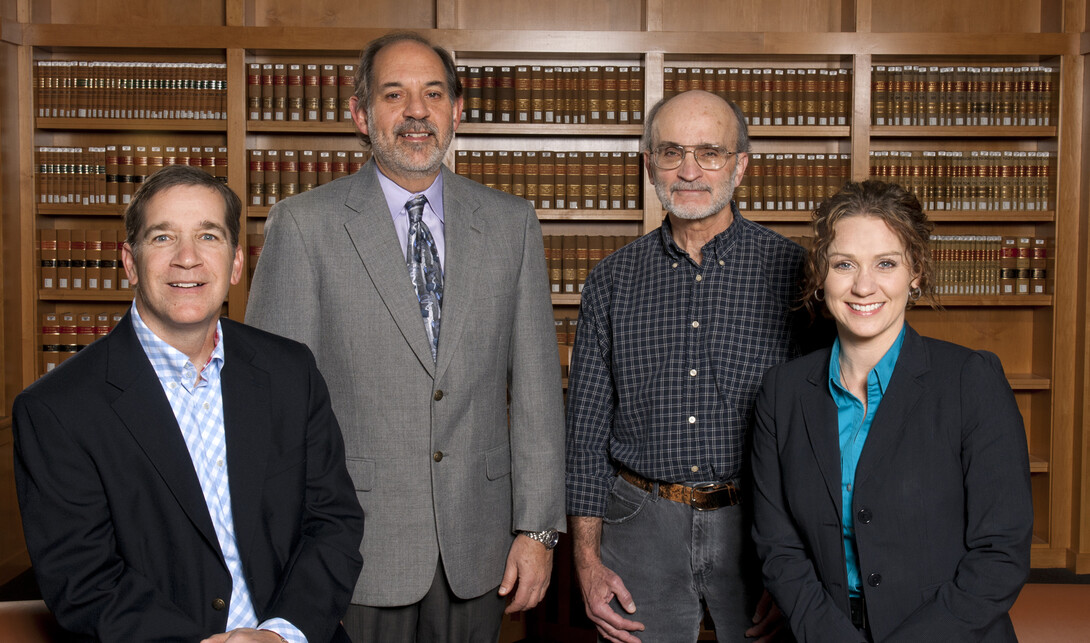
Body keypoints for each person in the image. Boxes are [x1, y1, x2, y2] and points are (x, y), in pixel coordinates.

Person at [245, 31, 565, 642]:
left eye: (434, 94)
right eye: (395, 94)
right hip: (351, 547)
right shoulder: (304, 224)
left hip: (480, 546)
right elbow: (273, 411)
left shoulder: (511, 223)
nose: (417, 111)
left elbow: (537, 393)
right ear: (361, 114)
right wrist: (292, 558)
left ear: (457, 112)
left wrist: (539, 530)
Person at [12, 164, 365, 643]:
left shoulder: (290, 372)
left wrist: (282, 634)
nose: (187, 258)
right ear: (130, 262)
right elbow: (84, 582)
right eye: (162, 238)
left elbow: (333, 523)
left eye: (208, 236)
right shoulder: (56, 410)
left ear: (236, 262)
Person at [566, 89, 810, 643]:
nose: (690, 170)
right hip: (638, 526)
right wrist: (586, 560)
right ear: (649, 162)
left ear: (741, 164)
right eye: (672, 152)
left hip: (759, 525)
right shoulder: (610, 280)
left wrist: (800, 564)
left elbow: (818, 435)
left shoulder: (795, 274)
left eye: (710, 153)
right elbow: (585, 434)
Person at [750, 180, 1033, 642]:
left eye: (886, 263)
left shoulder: (970, 380)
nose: (864, 286)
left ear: (915, 272)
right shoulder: (782, 394)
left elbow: (1000, 554)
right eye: (844, 264)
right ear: (821, 276)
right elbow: (778, 549)